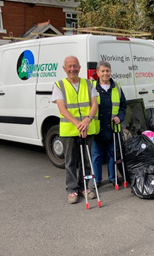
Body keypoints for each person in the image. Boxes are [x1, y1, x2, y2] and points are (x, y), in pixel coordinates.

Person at [52, 56, 98, 204]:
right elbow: (62, 109)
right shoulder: (59, 85)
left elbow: (94, 105)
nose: (72, 69)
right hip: (69, 130)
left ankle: (84, 187)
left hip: (87, 128)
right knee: (71, 161)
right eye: (69, 66)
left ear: (79, 68)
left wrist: (87, 120)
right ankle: (72, 190)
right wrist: (78, 123)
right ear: (64, 69)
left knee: (86, 160)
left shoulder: (89, 83)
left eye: (75, 66)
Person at [91, 61, 127, 187]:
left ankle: (113, 178)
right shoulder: (92, 87)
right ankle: (96, 180)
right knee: (96, 156)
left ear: (110, 72)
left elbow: (123, 105)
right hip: (97, 128)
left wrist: (120, 117)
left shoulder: (116, 86)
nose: (105, 73)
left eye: (107, 71)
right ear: (97, 72)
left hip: (112, 128)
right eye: (103, 71)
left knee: (112, 154)